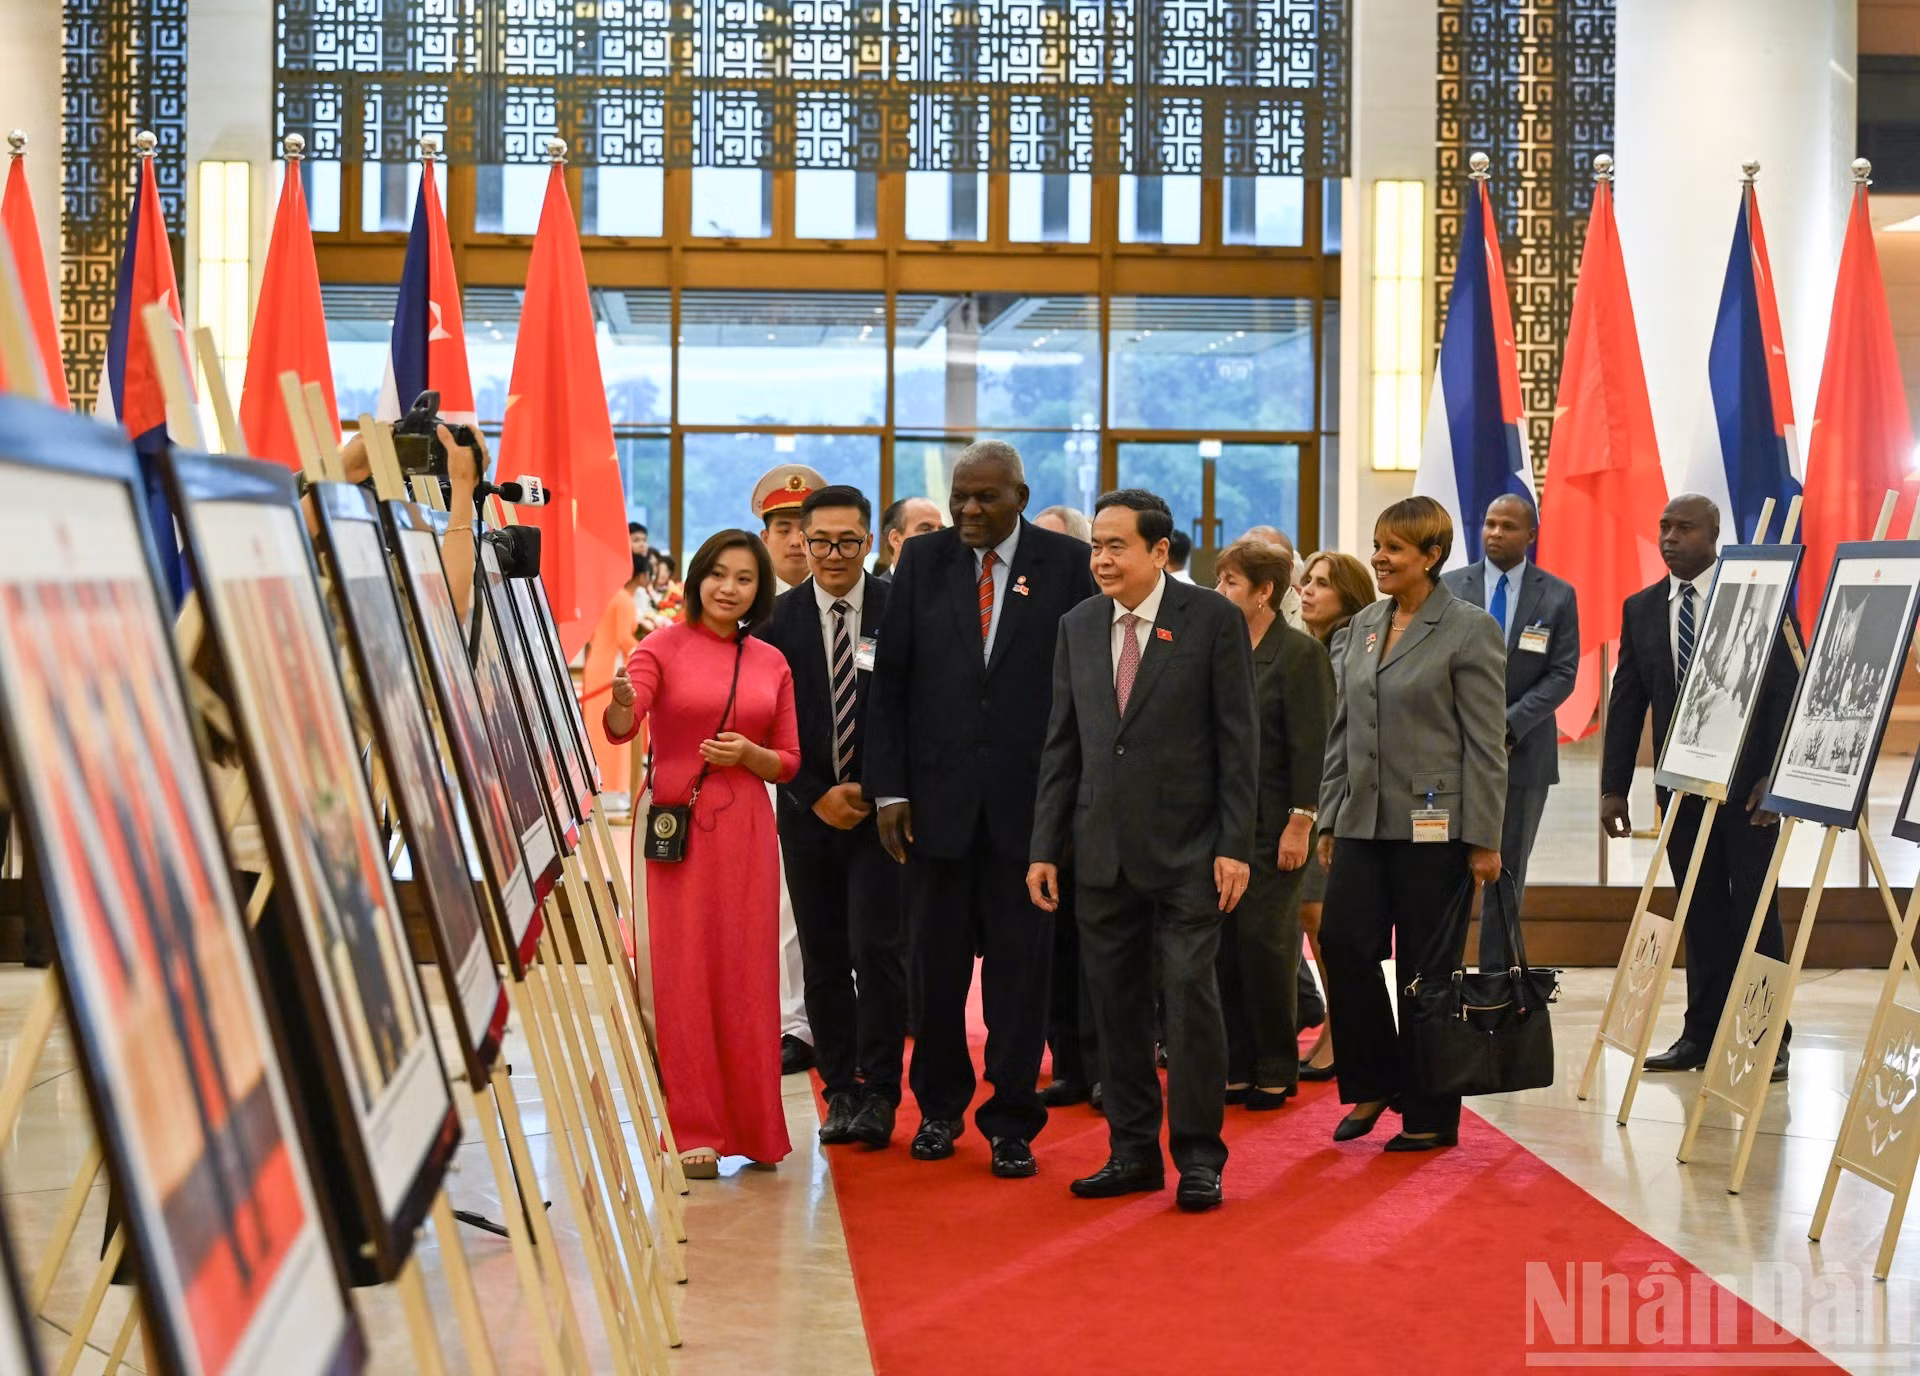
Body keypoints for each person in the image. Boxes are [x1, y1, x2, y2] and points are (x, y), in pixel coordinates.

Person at [866, 439, 1099, 1178]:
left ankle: (1011, 1123)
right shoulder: (921, 560)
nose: (968, 509)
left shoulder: (1067, 566)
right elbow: (890, 685)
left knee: (1020, 982)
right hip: (933, 812)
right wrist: (889, 790)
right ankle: (938, 1112)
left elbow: (1084, 695)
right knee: (933, 978)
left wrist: (1071, 810)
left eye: (985, 497)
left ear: (1019, 499)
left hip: (1029, 817)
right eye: (960, 496)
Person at [1029, 489, 1257, 1211]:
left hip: (1192, 852)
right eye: (1096, 545)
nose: (1100, 558)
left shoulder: (1212, 619)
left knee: (1190, 1002)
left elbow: (1239, 741)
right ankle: (1131, 1152)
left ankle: (1199, 1157)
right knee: (1115, 1010)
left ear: (1159, 551)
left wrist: (1235, 845)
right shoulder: (1077, 624)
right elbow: (1062, 743)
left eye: (1116, 546)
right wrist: (1044, 846)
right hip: (1101, 851)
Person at [605, 529, 801, 1176]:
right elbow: (624, 724)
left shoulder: (771, 661)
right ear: (696, 578)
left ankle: (756, 1126)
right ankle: (693, 1127)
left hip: (746, 826)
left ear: (759, 589)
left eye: (744, 578)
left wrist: (750, 754)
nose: (728, 588)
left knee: (746, 972)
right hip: (675, 826)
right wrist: (624, 703)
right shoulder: (660, 645)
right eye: (718, 574)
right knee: (681, 972)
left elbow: (789, 761)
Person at [1315, 497, 1506, 1151]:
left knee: (1427, 971)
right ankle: (1374, 1081)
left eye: (1394, 548)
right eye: (1377, 545)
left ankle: (1430, 1112)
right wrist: (1328, 818)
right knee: (1343, 942)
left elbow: (1486, 744)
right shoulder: (1361, 626)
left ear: (1431, 556)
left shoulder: (1469, 629)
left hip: (1438, 830)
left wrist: (1484, 839)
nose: (1378, 558)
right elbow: (1342, 732)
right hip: (1361, 822)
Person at [1602, 493, 1795, 1081]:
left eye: (1684, 528)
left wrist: (1775, 776)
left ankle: (1766, 1036)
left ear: (1714, 535)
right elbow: (1627, 700)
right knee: (1699, 910)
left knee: (1755, 911)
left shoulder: (1754, 598)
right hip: (1682, 791)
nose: (1670, 538)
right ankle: (1701, 1034)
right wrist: (1614, 787)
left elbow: (1786, 691)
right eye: (1664, 527)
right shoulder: (1642, 608)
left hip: (1750, 794)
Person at [759, 485, 908, 1149]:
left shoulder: (900, 610)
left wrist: (876, 791)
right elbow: (765, 723)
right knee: (821, 957)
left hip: (883, 816)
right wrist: (815, 793)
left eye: (849, 541)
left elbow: (919, 711)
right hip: (807, 811)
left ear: (869, 542)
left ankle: (880, 1091)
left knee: (878, 953)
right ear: (803, 542)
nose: (834, 554)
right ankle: (840, 1089)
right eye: (820, 541)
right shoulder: (776, 621)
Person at [1211, 537, 1334, 1109]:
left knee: (1266, 946)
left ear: (1264, 592)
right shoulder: (1220, 647)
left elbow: (1313, 748)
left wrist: (1300, 823)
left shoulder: (1299, 654)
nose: (1219, 590)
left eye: (1230, 582)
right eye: (1219, 579)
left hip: (1277, 823)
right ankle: (1236, 1065)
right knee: (1224, 947)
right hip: (1222, 822)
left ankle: (1275, 1066)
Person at [1441, 494, 1580, 966]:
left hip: (1523, 755)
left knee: (1507, 870)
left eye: (1507, 526)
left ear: (1531, 535)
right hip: (1455, 751)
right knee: (1449, 870)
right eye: (1490, 523)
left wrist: (1506, 726)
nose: (1495, 533)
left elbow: (1562, 674)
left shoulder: (1557, 594)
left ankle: (1497, 981)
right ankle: (1442, 975)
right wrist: (1474, 727)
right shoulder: (1450, 587)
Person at [752, 463, 828, 1074]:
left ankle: (836, 1014)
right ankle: (793, 1023)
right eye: (783, 528)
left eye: (806, 528)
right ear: (766, 535)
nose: (797, 540)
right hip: (770, 774)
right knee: (783, 905)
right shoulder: (749, 608)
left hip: (845, 777)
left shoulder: (858, 600)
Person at [1293, 549, 1377, 1080]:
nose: (1307, 590)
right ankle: (1336, 1028)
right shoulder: (1324, 644)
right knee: (1315, 917)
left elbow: (1337, 729)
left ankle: (1345, 1033)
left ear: (1348, 596)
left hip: (1335, 802)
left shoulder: (1345, 643)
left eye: (1321, 583)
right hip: (1326, 798)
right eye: (1306, 581)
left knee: (1323, 920)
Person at [1031, 500, 1099, 1104]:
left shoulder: (1094, 619)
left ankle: (1103, 1066)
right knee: (1050, 944)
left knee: (1094, 946)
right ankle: (1069, 1063)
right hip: (1039, 798)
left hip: (1095, 805)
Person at [584, 552, 649, 812]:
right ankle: (611, 789)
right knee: (613, 726)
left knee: (599, 728)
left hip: (599, 665)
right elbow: (624, 638)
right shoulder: (624, 600)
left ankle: (603, 786)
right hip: (611, 667)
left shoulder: (614, 597)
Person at [1243, 524, 1306, 630]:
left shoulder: (1307, 618)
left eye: (1261, 559)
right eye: (1245, 561)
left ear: (1288, 567)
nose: (1250, 569)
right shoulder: (1229, 610)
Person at [873, 496, 944, 579]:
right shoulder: (878, 587)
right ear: (896, 539)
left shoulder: (952, 584)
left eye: (942, 530)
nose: (939, 537)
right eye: (926, 529)